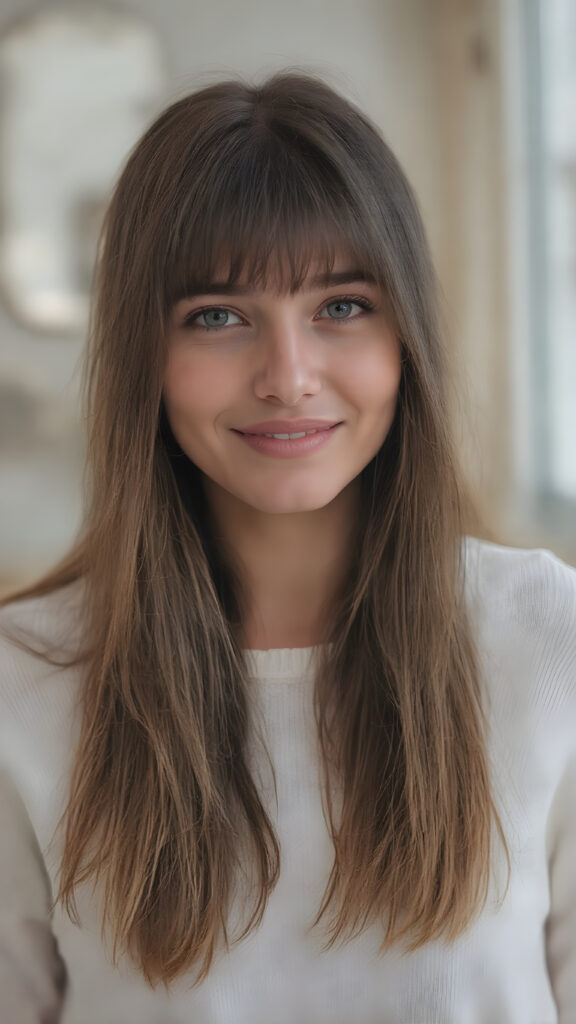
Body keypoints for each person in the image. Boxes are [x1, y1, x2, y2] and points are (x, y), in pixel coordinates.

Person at [0, 71, 574, 1024]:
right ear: (144, 352)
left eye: (342, 305)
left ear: (408, 338)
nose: (288, 377)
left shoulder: (547, 638)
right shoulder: (25, 679)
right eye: (218, 317)